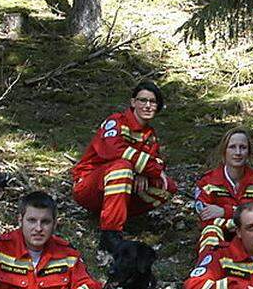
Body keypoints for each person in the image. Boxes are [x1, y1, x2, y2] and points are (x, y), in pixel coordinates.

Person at [72, 81, 177, 253]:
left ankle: (122, 216)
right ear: (133, 102)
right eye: (143, 100)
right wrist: (145, 168)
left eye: (153, 102)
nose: (148, 105)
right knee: (122, 167)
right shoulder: (115, 122)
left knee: (168, 186)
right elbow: (112, 149)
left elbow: (158, 162)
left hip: (118, 186)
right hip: (88, 186)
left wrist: (144, 170)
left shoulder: (150, 136)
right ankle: (110, 235)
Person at [194, 127, 253, 252]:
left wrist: (226, 212)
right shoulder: (207, 182)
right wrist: (239, 222)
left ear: (249, 153)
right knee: (210, 232)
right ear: (224, 151)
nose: (238, 152)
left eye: (243, 147)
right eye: (232, 147)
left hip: (252, 237)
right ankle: (209, 269)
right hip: (220, 237)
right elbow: (205, 219)